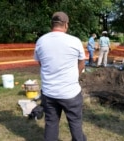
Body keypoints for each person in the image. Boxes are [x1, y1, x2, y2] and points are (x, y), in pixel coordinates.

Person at [34, 11, 87, 141]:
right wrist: (75, 76)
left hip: (49, 93)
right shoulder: (75, 41)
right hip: (70, 93)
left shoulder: (41, 41)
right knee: (75, 124)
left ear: (51, 24)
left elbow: (41, 63)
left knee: (51, 123)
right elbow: (82, 63)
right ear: (66, 25)